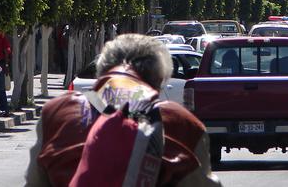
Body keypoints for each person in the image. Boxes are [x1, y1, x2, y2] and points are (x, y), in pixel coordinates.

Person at [25, 34, 221, 186]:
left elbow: (34, 182)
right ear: (159, 82)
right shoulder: (181, 124)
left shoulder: (58, 113)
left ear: (101, 74)